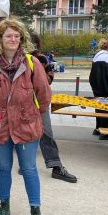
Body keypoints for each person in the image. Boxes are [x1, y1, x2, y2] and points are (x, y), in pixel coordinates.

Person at [0, 18, 51, 215]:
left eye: (16, 36)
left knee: (29, 169)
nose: (13, 39)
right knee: (3, 167)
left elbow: (44, 95)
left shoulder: (31, 63)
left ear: (21, 39)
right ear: (0, 39)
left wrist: (29, 115)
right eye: (8, 35)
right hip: (2, 127)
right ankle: (4, 205)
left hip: (26, 125)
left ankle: (35, 211)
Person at [30, 33, 77, 183]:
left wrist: (39, 77)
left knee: (46, 133)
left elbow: (49, 78)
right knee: (26, 135)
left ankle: (56, 166)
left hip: (39, 101)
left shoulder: (41, 59)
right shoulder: (18, 59)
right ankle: (26, 164)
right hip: (22, 103)